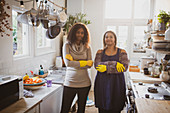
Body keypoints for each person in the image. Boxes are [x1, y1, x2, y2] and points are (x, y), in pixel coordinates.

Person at [60, 23, 93, 113]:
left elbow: (90, 64)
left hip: (85, 83)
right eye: (78, 32)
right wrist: (83, 62)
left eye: (82, 33)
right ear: (74, 33)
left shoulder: (87, 47)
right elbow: (68, 64)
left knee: (81, 110)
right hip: (70, 82)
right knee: (65, 109)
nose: (80, 35)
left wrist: (75, 61)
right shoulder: (67, 46)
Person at [94, 31, 129, 113]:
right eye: (106, 37)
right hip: (102, 83)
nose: (108, 39)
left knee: (116, 106)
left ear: (115, 39)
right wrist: (115, 63)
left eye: (111, 37)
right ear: (104, 39)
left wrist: (106, 67)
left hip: (117, 84)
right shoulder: (100, 52)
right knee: (102, 107)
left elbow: (124, 67)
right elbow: (97, 65)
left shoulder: (122, 52)